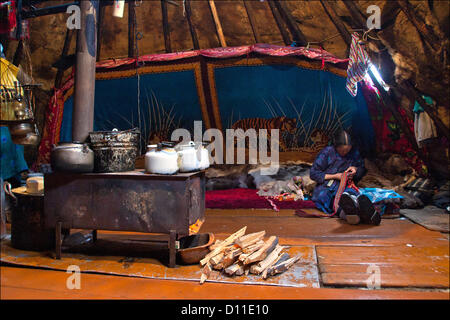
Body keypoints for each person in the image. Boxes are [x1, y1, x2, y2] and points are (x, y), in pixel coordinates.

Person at [309, 130, 381, 225]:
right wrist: (335, 176)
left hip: (347, 184)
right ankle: (349, 214)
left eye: (347, 150)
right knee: (326, 196)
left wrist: (355, 170)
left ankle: (360, 211)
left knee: (349, 194)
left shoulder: (354, 153)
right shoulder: (327, 152)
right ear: (336, 146)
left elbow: (361, 169)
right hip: (328, 184)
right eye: (342, 150)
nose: (345, 152)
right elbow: (313, 173)